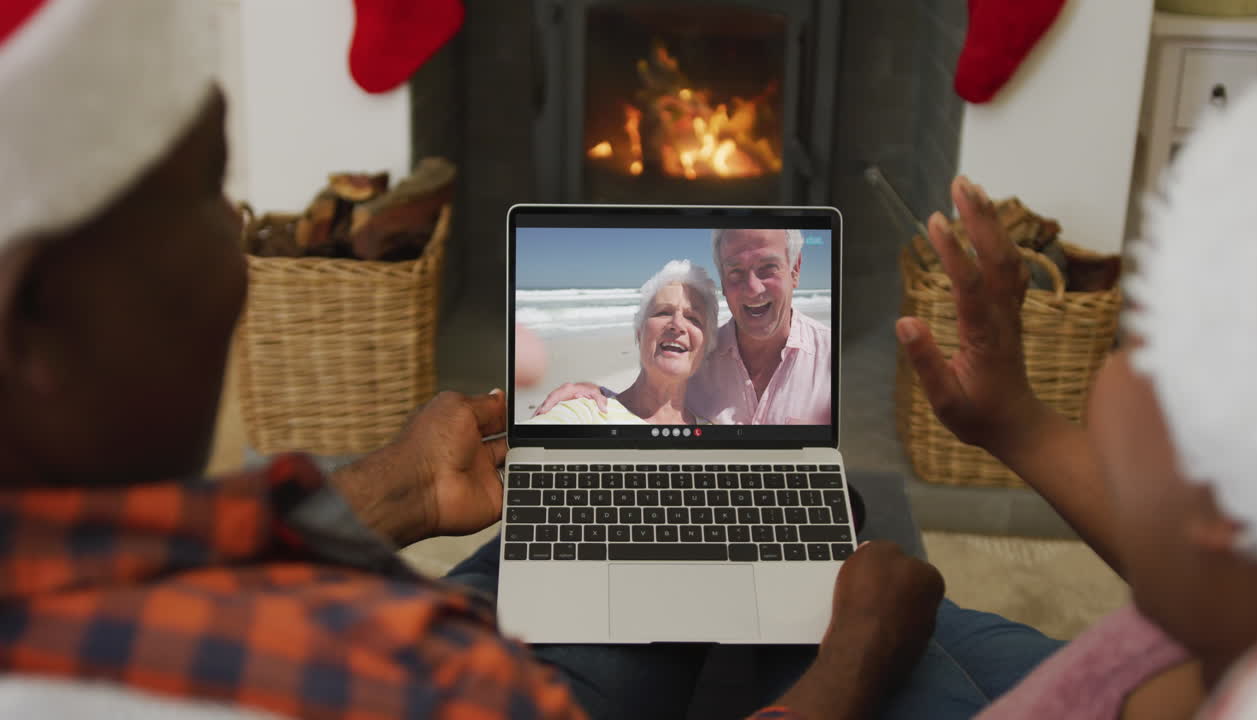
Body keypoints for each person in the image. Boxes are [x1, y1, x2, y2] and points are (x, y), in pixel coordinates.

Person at [0, 1, 951, 718]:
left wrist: (404, 489)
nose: (242, 255)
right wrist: (850, 666)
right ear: (35, 311)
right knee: (921, 639)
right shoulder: (420, 678)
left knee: (566, 546)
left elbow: (169, 546)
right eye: (213, 187)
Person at [894, 85, 1257, 718]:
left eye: (1145, 331)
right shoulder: (1235, 602)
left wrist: (845, 660)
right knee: (924, 614)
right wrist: (1017, 422)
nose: (1117, 360)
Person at [534, 228, 831, 425]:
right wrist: (594, 393)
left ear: (795, 269)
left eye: (767, 268)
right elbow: (645, 401)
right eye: (736, 272)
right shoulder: (697, 356)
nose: (753, 289)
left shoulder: (835, 360)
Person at [527, 260, 716, 425]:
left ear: (706, 345)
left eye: (693, 318)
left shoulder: (713, 435)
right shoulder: (588, 412)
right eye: (663, 312)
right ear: (639, 333)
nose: (677, 325)